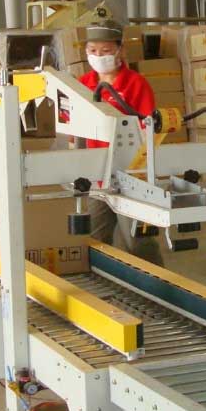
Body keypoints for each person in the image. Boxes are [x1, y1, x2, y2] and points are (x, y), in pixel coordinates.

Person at [76, 20, 162, 264]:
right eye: (93, 50)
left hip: (130, 174)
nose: (98, 56)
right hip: (97, 174)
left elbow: (148, 130)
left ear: (120, 50)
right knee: (94, 235)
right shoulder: (83, 84)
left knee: (136, 239)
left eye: (105, 51)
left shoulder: (136, 84)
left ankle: (155, 281)